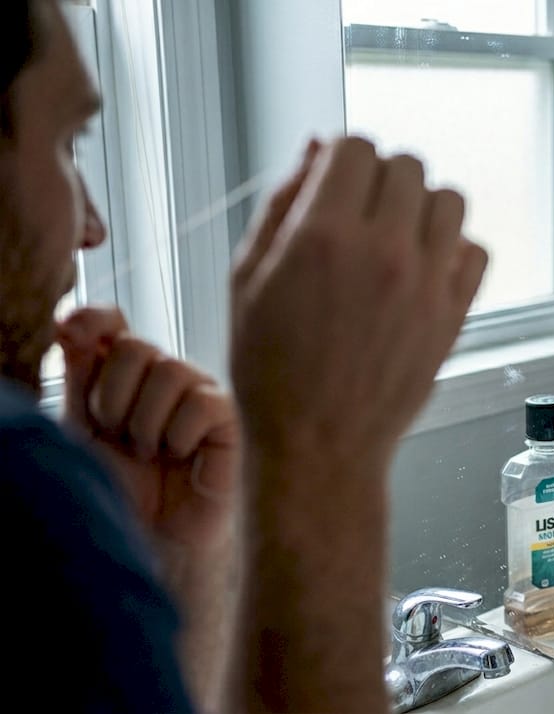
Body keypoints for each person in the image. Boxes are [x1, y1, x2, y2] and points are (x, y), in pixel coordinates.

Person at [1, 1, 487, 712]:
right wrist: (322, 459)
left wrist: (172, 558)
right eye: (67, 141)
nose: (93, 228)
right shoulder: (19, 471)